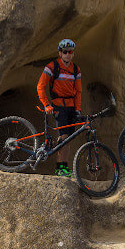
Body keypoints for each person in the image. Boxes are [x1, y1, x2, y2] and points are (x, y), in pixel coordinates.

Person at [37, 39, 82, 177]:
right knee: (63, 137)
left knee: (68, 139)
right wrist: (46, 104)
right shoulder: (52, 67)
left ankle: (63, 167)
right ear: (60, 53)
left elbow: (78, 91)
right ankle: (60, 168)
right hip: (58, 107)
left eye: (70, 52)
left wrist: (78, 109)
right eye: (65, 52)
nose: (68, 54)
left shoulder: (75, 69)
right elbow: (40, 86)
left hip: (71, 108)